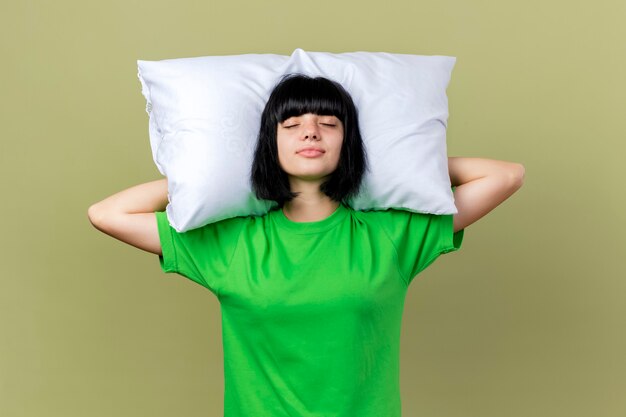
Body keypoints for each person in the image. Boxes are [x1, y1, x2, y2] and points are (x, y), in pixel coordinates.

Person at [88, 73, 525, 417]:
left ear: (347, 142)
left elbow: (507, 176)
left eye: (328, 124)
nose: (311, 133)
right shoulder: (230, 242)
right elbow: (106, 214)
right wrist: (206, 173)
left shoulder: (392, 235)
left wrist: (400, 164)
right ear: (268, 144)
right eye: (292, 124)